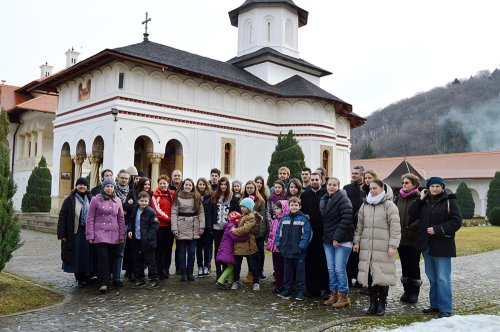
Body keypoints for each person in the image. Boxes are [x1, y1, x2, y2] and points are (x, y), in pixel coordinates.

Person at [409, 176, 462, 318]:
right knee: (432, 277)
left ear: (442, 187)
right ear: (428, 188)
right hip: (427, 246)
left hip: (443, 245)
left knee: (443, 277)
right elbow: (411, 214)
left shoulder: (450, 201)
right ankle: (435, 305)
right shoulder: (424, 201)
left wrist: (438, 229)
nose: (435, 189)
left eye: (438, 186)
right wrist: (420, 198)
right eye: (432, 186)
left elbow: (457, 222)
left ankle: (445, 308)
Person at [353, 179, 401, 316]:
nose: (372, 190)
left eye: (375, 188)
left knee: (382, 274)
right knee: (369, 275)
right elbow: (359, 226)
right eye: (370, 188)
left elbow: (395, 228)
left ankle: (382, 302)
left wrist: (393, 245)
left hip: (383, 247)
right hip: (367, 247)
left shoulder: (389, 205)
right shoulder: (365, 205)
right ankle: (372, 302)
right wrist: (357, 242)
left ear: (382, 189)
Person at [86, 178, 126, 294]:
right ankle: (102, 283)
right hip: (100, 234)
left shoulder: (117, 200)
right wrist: (90, 235)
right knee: (103, 258)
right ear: (103, 187)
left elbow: (121, 218)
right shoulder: (95, 199)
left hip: (114, 234)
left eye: (112, 187)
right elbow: (90, 218)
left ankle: (107, 280)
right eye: (107, 186)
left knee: (111, 258)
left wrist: (121, 234)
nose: (110, 189)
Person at [320, 177, 354, 308]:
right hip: (328, 239)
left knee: (339, 269)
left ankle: (344, 296)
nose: (331, 187)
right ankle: (333, 294)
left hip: (342, 239)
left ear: (339, 186)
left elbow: (346, 220)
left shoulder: (344, 199)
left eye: (334, 185)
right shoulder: (324, 199)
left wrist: (337, 238)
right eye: (329, 184)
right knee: (331, 268)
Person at [57, 177, 94, 288]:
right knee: (76, 256)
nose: (82, 186)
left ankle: (87, 275)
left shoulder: (91, 198)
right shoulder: (70, 199)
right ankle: (79, 278)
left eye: (84, 185)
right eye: (80, 184)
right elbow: (62, 217)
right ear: (76, 186)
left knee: (87, 255)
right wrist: (61, 234)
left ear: (87, 187)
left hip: (88, 232)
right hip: (74, 232)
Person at [276, 197, 313, 301]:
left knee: (300, 273)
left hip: (299, 252)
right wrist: (279, 245)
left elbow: (307, 235)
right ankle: (288, 289)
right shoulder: (284, 219)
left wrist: (301, 247)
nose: (294, 207)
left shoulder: (304, 219)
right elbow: (279, 233)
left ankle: (301, 291)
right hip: (286, 251)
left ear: (300, 206)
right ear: (289, 206)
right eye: (292, 205)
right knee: (287, 272)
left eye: (296, 205)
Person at [300, 173, 329, 298]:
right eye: (312, 180)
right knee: (310, 261)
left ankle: (325, 288)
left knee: (323, 261)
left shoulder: (326, 194)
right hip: (309, 233)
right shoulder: (304, 195)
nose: (315, 182)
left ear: (321, 180)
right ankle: (312, 288)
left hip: (323, 232)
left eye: (317, 179)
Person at [395, 173, 422, 303]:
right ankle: (406, 291)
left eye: (407, 183)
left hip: (414, 238)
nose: (404, 185)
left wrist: (412, 226)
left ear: (414, 184)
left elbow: (423, 217)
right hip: (401, 239)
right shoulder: (398, 198)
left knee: (414, 266)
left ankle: (414, 293)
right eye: (403, 183)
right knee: (404, 265)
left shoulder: (420, 198)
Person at [171, 178, 205, 282]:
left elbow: (201, 212)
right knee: (181, 251)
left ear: (192, 186)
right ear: (183, 185)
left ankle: (190, 272)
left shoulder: (197, 196)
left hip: (194, 226)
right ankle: (183, 273)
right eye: (186, 185)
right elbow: (174, 213)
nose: (188, 187)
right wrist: (174, 228)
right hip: (181, 225)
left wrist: (202, 226)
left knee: (191, 251)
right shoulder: (177, 197)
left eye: (190, 185)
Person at [208, 177, 241, 279]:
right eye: (221, 184)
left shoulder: (233, 198)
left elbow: (237, 214)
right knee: (218, 250)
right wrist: (210, 227)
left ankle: (225, 272)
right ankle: (218, 273)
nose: (223, 186)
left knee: (227, 250)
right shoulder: (214, 197)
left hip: (227, 229)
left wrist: (233, 226)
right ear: (219, 185)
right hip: (216, 228)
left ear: (228, 186)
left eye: (225, 185)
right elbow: (210, 213)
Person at [127, 191, 159, 289]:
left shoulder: (151, 212)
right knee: (138, 261)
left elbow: (154, 227)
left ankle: (154, 280)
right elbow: (131, 221)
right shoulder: (135, 209)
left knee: (150, 261)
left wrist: (147, 237)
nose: (143, 203)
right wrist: (129, 230)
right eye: (141, 201)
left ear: (148, 201)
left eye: (145, 201)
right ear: (138, 201)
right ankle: (140, 279)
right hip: (137, 239)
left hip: (148, 241)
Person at [230, 197, 262, 291]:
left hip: (248, 245)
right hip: (240, 245)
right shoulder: (244, 215)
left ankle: (256, 282)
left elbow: (245, 229)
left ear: (249, 207)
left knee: (253, 265)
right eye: (241, 206)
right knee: (237, 265)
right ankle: (236, 281)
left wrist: (234, 230)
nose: (242, 208)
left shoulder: (250, 217)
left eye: (244, 206)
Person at [241, 180, 267, 281]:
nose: (249, 190)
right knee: (249, 254)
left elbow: (262, 218)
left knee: (259, 253)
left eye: (251, 188)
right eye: (247, 188)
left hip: (258, 232)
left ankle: (259, 272)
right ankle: (251, 272)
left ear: (255, 189)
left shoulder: (260, 201)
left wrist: (260, 233)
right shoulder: (242, 199)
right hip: (248, 232)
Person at [112, 169, 134, 287]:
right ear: (118, 178)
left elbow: (133, 207)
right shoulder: (112, 190)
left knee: (121, 252)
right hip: (112, 224)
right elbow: (113, 206)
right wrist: (125, 206)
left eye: (126, 178)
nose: (124, 180)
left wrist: (123, 206)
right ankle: (110, 275)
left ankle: (117, 277)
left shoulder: (131, 191)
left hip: (126, 224)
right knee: (111, 251)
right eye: (122, 178)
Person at [215, 211, 250, 288]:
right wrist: (246, 237)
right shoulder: (231, 227)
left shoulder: (229, 225)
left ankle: (231, 282)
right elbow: (235, 237)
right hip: (228, 250)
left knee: (231, 265)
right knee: (231, 266)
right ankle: (220, 281)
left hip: (227, 249)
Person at [343, 165, 365, 288]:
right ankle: (349, 277)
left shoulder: (366, 190)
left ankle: (359, 279)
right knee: (349, 253)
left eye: (356, 173)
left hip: (362, 226)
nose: (353, 175)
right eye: (352, 173)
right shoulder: (346, 188)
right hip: (348, 225)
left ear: (362, 175)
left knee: (360, 254)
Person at [151, 174, 175, 280]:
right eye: (160, 183)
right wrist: (171, 219)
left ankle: (166, 269)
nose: (162, 185)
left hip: (170, 227)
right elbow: (157, 211)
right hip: (161, 226)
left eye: (164, 183)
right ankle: (159, 270)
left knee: (168, 249)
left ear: (168, 184)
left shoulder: (172, 194)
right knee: (159, 250)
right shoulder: (155, 195)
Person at [266, 199, 289, 293]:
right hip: (274, 249)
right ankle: (279, 285)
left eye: (278, 208)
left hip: (282, 249)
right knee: (277, 268)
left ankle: (284, 286)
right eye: (275, 208)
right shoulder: (275, 220)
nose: (276, 210)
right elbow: (272, 234)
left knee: (283, 268)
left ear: (284, 208)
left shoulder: (286, 221)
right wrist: (270, 245)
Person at [196, 177, 213, 277]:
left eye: (203, 184)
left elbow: (211, 213)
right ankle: (199, 266)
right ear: (197, 185)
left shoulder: (210, 196)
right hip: (196, 226)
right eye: (200, 184)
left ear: (206, 185)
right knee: (198, 248)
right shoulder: (194, 196)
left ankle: (206, 266)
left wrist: (210, 227)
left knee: (207, 248)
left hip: (207, 226)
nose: (201, 186)